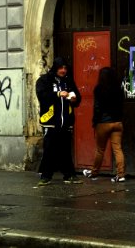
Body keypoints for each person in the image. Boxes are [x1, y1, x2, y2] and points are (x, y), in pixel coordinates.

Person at [36, 56, 83, 186]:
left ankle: (69, 175)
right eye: (61, 68)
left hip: (66, 121)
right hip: (50, 121)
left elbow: (78, 97)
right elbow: (42, 95)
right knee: (49, 149)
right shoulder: (45, 80)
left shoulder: (68, 81)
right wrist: (57, 94)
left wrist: (75, 100)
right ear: (55, 68)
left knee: (65, 150)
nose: (63, 70)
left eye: (65, 68)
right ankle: (46, 176)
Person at [83, 67, 126, 183]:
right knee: (117, 149)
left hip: (103, 123)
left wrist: (95, 122)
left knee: (100, 150)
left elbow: (97, 108)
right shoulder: (118, 88)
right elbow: (122, 106)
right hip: (117, 123)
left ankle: (94, 172)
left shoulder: (99, 89)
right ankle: (121, 175)